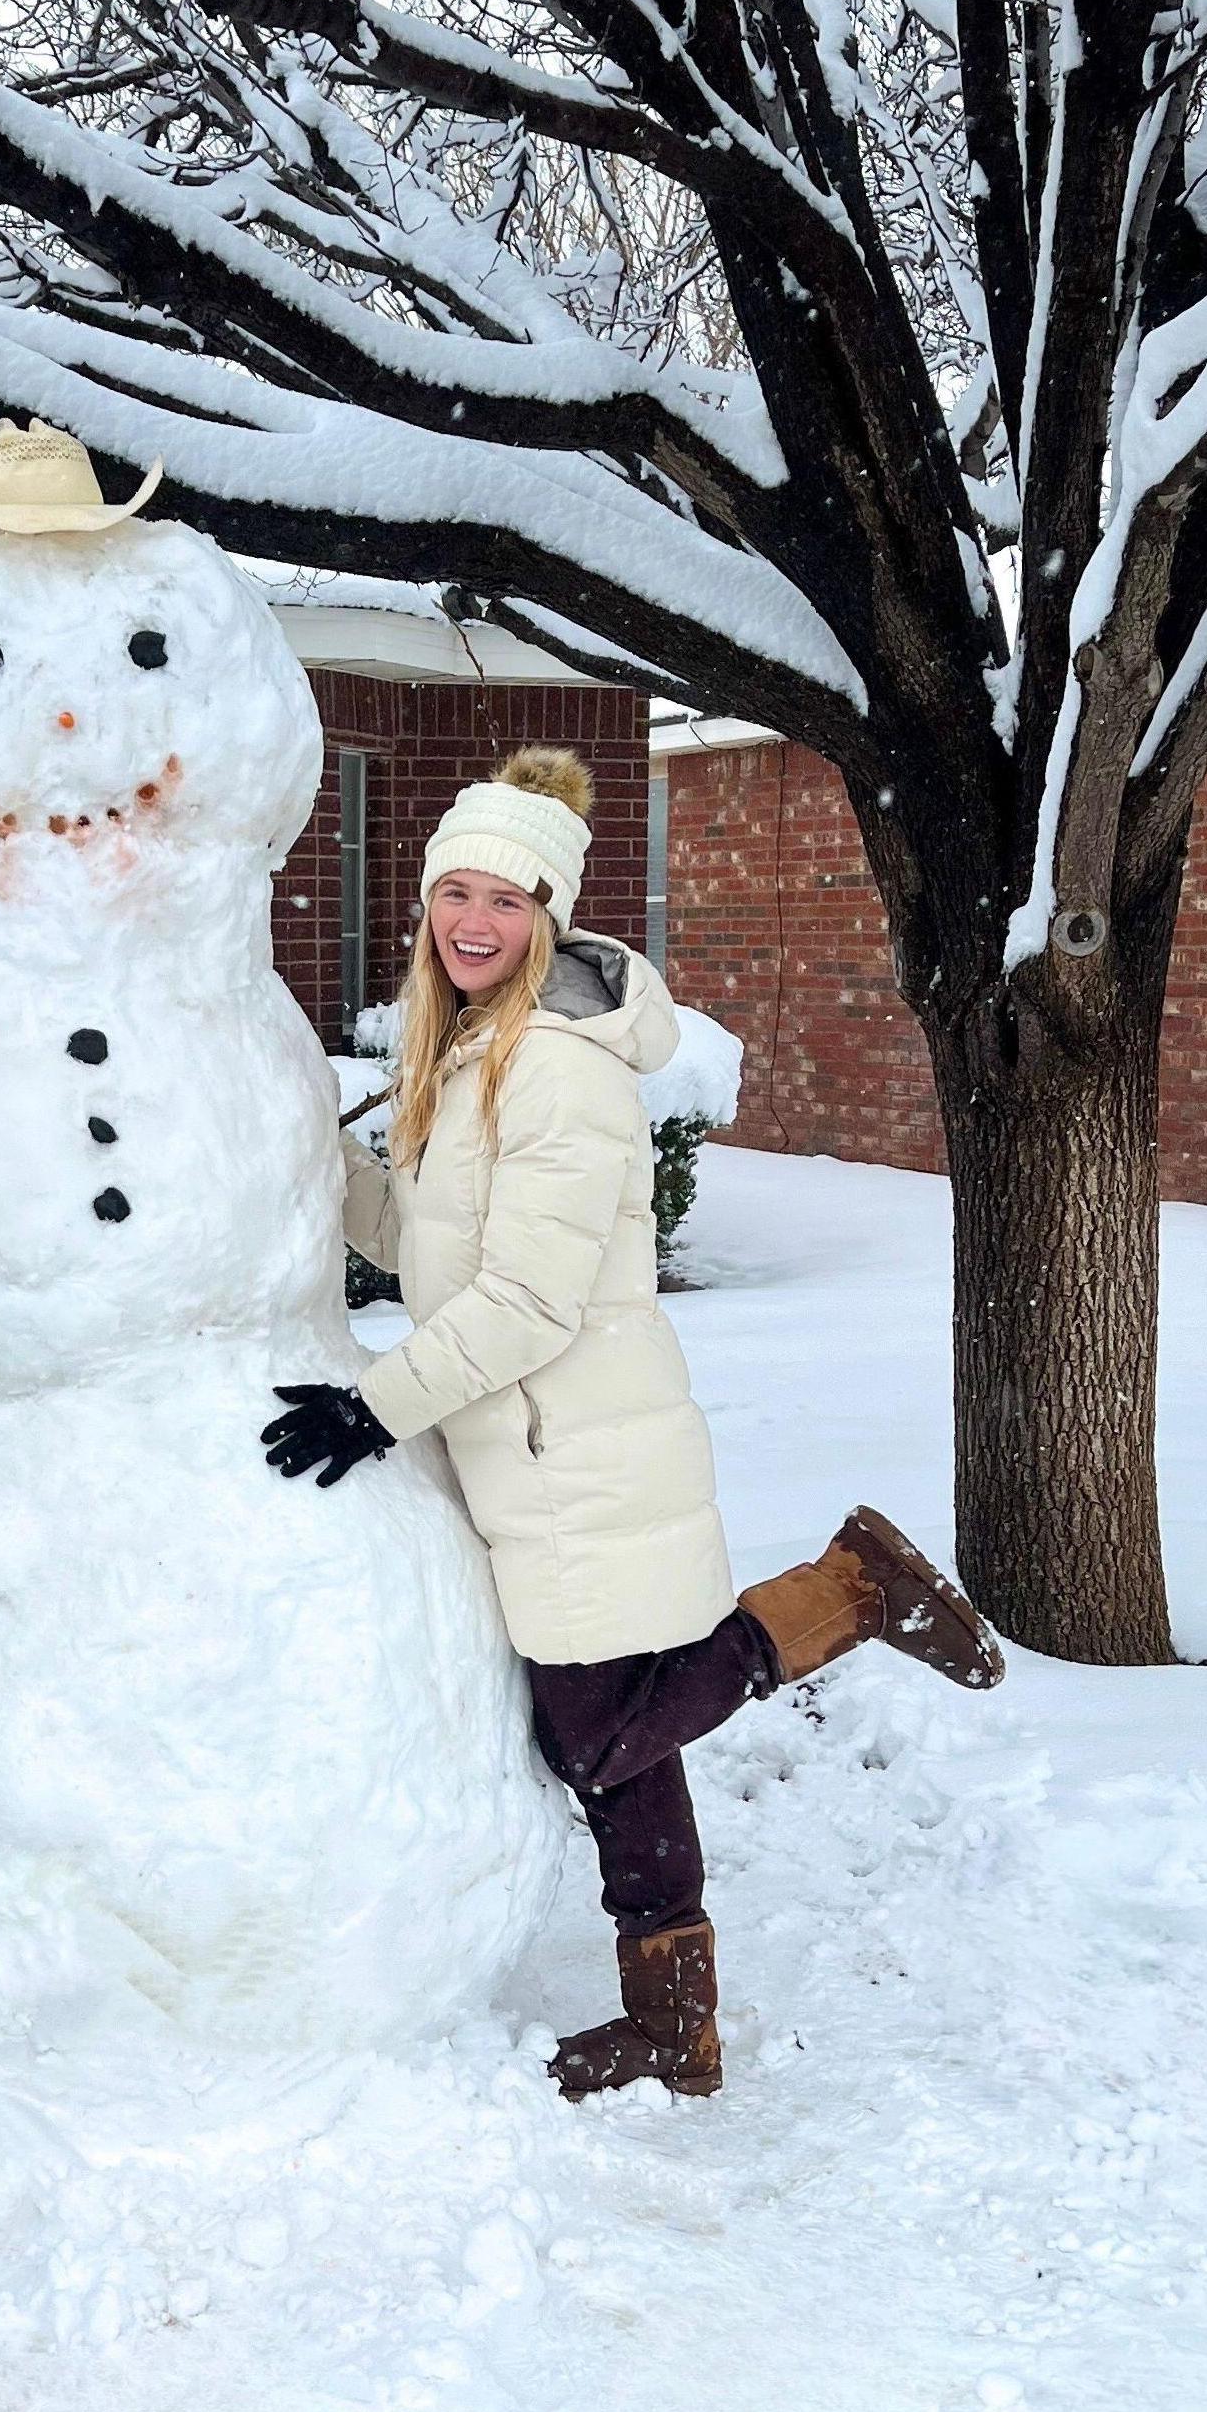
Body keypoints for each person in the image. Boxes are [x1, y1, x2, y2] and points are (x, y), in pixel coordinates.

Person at [261, 748, 1002, 2099]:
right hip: (529, 1451)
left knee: (595, 1738)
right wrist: (300, 1143)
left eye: (507, 900)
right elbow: (417, 1246)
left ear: (554, 919)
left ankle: (847, 1591)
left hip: (576, 1450)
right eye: (455, 894)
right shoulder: (471, 1053)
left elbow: (532, 1305)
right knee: (626, 1744)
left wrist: (376, 1408)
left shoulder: (557, 1072)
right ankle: (676, 2024)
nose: (473, 922)